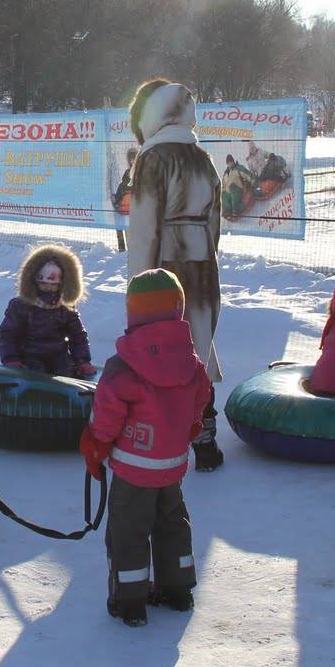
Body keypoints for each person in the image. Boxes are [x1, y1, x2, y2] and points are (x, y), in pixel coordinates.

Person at [78, 269, 211, 628]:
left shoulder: (124, 365)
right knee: (172, 524)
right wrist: (191, 424)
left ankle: (130, 600)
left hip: (133, 471)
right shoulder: (191, 360)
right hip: (171, 468)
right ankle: (178, 589)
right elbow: (202, 397)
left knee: (128, 531)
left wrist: (96, 444)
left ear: (132, 312)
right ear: (178, 308)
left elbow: (107, 414)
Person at [126, 78, 225, 471]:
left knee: (159, 349)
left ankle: (161, 437)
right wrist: (204, 251)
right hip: (202, 263)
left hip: (164, 266)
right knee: (198, 347)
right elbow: (215, 222)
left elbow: (145, 226)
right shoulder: (202, 156)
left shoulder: (152, 157)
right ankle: (206, 441)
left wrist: (139, 283)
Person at [0, 244, 95, 377]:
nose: (49, 288)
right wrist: (11, 359)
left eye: (54, 285)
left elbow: (77, 336)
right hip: (30, 355)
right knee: (35, 375)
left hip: (59, 355)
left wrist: (82, 360)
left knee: (66, 373)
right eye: (44, 283)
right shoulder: (22, 306)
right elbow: (8, 334)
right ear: (34, 282)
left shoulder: (65, 308)